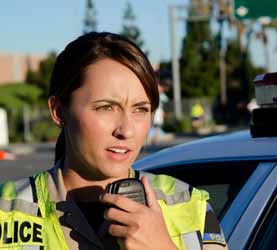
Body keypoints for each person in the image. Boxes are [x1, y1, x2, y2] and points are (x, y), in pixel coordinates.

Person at [0, 32, 227, 250]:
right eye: (106, 107)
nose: (126, 130)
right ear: (59, 111)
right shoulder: (6, 210)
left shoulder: (188, 205)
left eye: (140, 109)